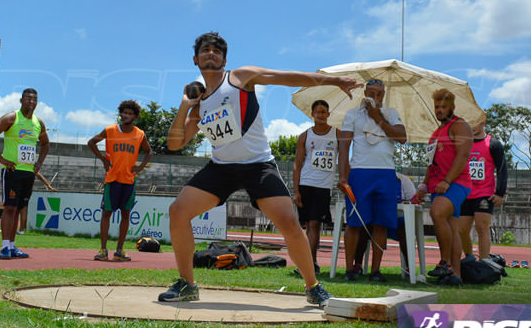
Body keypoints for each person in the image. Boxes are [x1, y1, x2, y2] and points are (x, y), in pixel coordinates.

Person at [158, 32, 361, 306]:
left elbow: (284, 77)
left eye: (217, 51)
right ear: (196, 59)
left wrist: (334, 81)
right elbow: (175, 144)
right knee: (178, 211)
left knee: (289, 223)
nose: (211, 54)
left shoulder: (241, 77)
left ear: (224, 59)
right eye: (205, 50)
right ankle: (187, 284)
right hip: (221, 167)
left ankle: (313, 286)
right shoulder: (200, 103)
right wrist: (185, 106)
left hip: (257, 165)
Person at [337, 79, 407, 282]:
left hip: (385, 173)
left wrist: (378, 117)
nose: (374, 97)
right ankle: (350, 269)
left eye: (379, 93)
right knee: (354, 222)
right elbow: (344, 146)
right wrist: (343, 177)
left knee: (381, 224)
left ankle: (376, 270)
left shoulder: (391, 113)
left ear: (383, 95)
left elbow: (402, 137)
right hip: (359, 172)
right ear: (364, 93)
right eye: (371, 93)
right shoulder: (352, 114)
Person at [0, 88, 49, 259]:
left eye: (34, 99)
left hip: (28, 173)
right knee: (10, 208)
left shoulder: (38, 123)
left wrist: (39, 163)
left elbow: (46, 144)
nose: (31, 102)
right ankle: (5, 247)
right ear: (21, 100)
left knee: (19, 209)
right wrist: (1, 158)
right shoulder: (12, 118)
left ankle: (12, 246)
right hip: (12, 171)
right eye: (28, 99)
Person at [415, 89, 472, 286]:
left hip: (456, 183)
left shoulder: (460, 126)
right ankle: (455, 275)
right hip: (438, 186)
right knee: (452, 228)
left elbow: (463, 156)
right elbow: (432, 164)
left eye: (443, 107)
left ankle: (445, 262)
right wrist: (423, 186)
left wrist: (447, 181)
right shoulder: (436, 132)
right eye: (437, 107)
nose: (439, 110)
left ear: (452, 107)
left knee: (437, 213)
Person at [87, 100, 153, 261]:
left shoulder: (139, 134)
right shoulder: (110, 130)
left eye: (130, 113)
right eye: (124, 112)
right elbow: (91, 142)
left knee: (125, 215)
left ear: (135, 116)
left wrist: (140, 167)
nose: (126, 115)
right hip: (112, 178)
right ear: (120, 113)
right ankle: (103, 250)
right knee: (106, 213)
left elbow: (149, 152)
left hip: (129, 180)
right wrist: (103, 159)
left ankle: (119, 251)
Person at [291, 99, 338, 275]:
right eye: (317, 112)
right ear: (312, 114)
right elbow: (297, 164)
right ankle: (309, 262)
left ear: (328, 114)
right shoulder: (305, 136)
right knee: (308, 226)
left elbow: (344, 160)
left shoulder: (337, 134)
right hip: (306, 183)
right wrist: (296, 191)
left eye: (323, 111)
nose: (320, 114)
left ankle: (310, 263)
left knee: (315, 224)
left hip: (323, 186)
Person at [457, 119, 507, 260]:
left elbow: (502, 169)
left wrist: (500, 193)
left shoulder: (493, 144)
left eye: (475, 122)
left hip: (484, 193)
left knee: (481, 227)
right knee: (462, 229)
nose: (472, 126)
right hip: (466, 193)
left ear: (483, 122)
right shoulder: (463, 143)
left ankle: (484, 262)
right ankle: (469, 258)